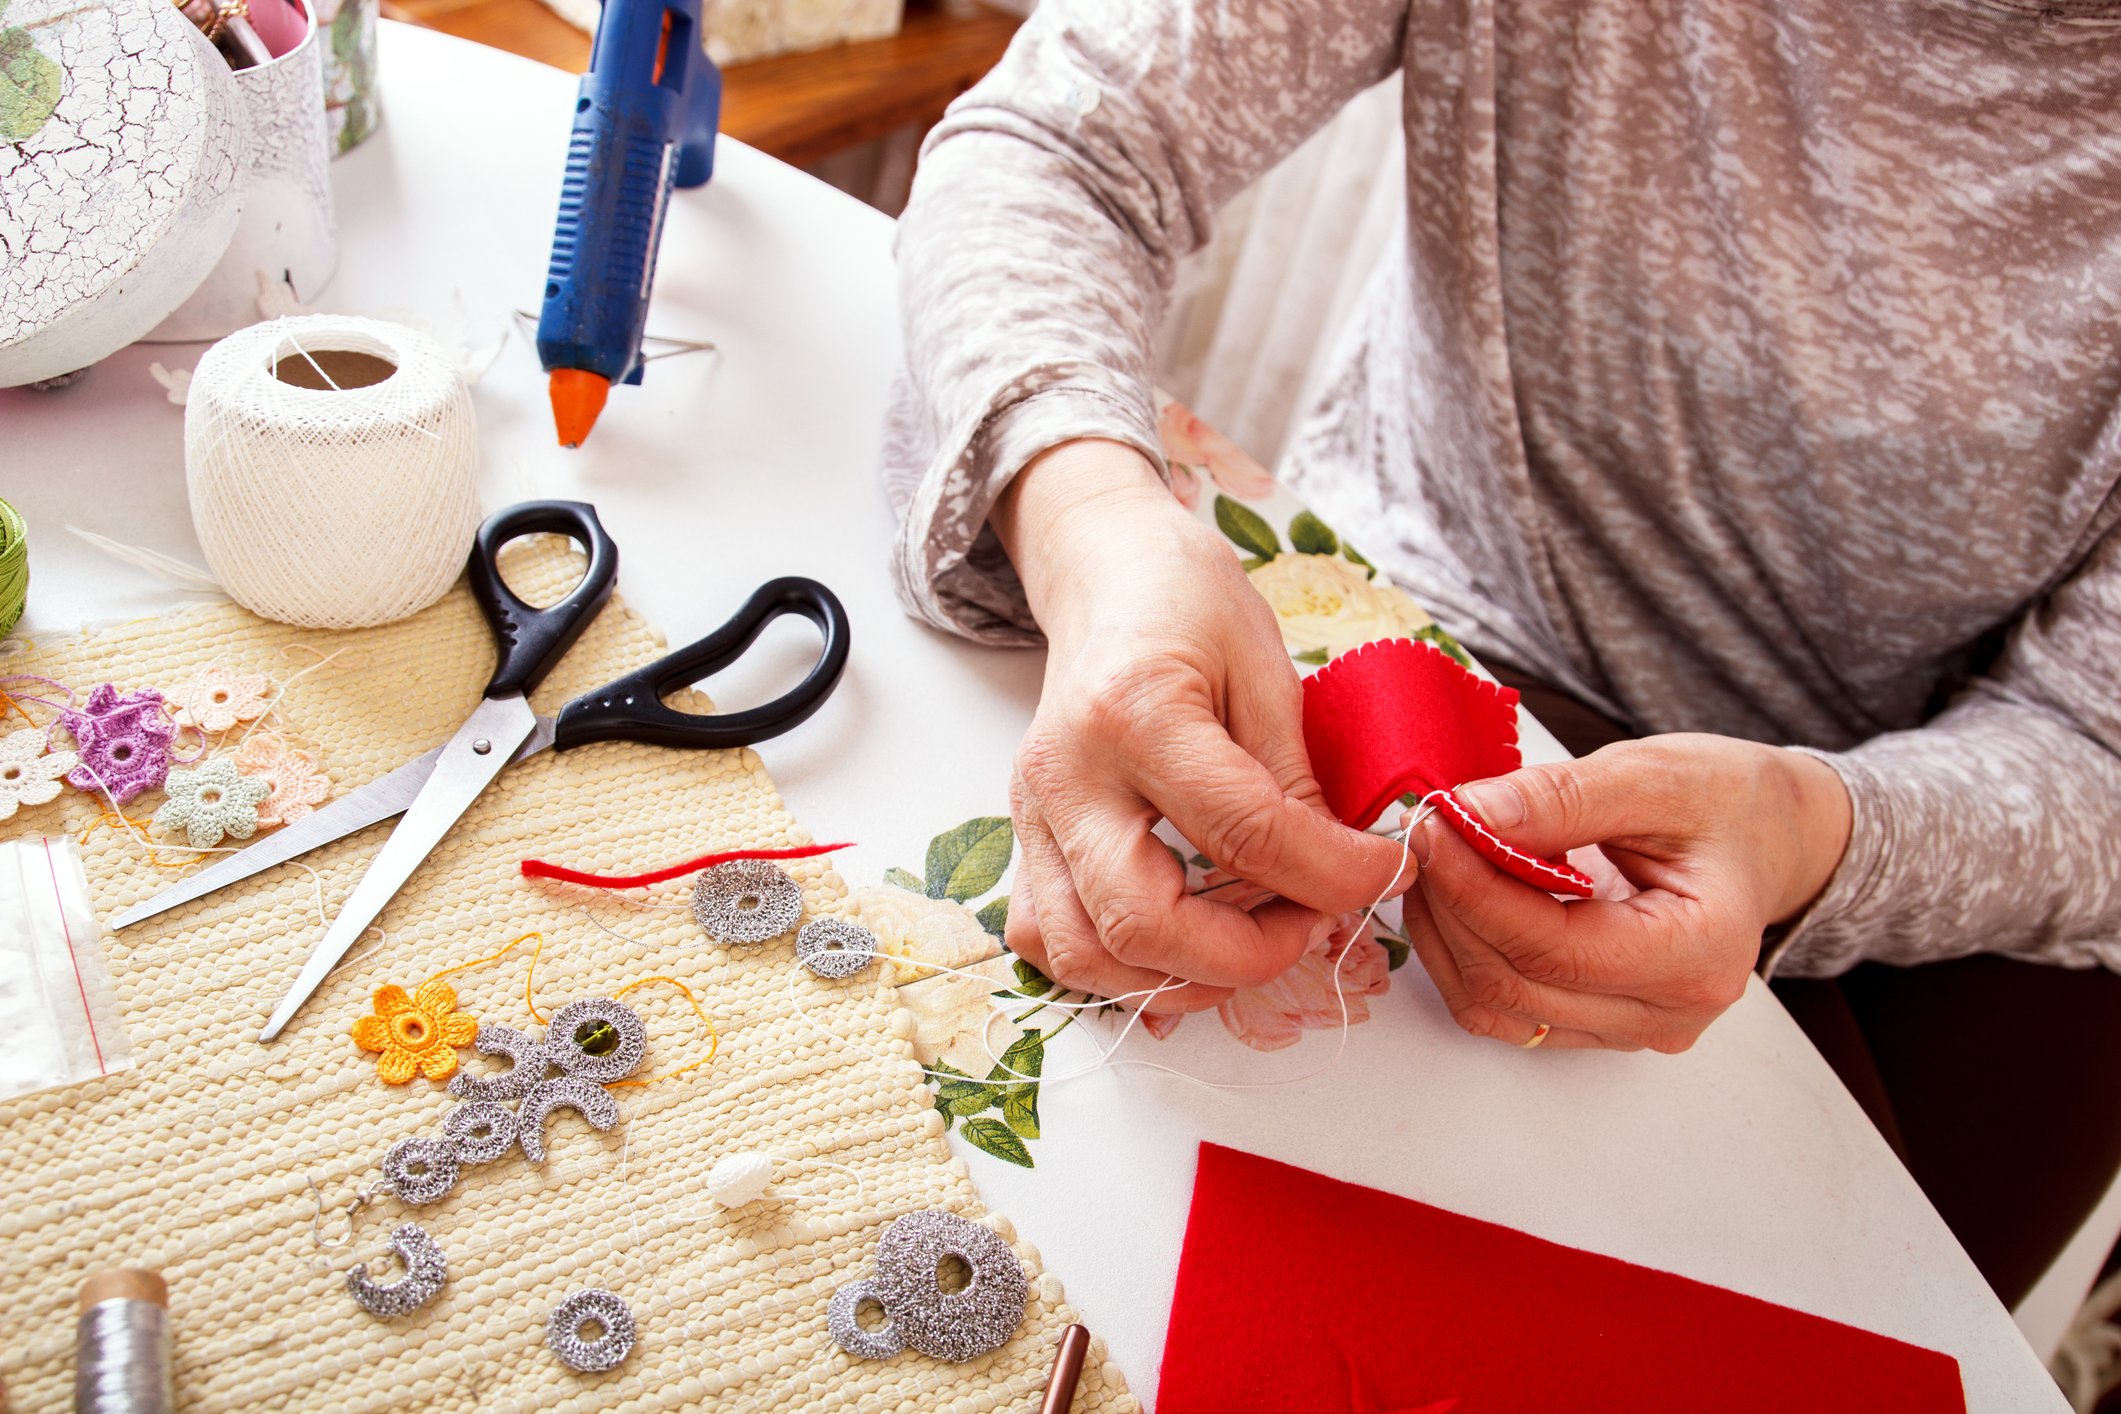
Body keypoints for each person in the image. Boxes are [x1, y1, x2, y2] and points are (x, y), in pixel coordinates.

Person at [881, 0, 2121, 1307]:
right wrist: (1093, 526)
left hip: (1917, 848)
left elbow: (2094, 742)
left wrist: (1818, 835)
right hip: (1406, 618)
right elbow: (1059, 145)